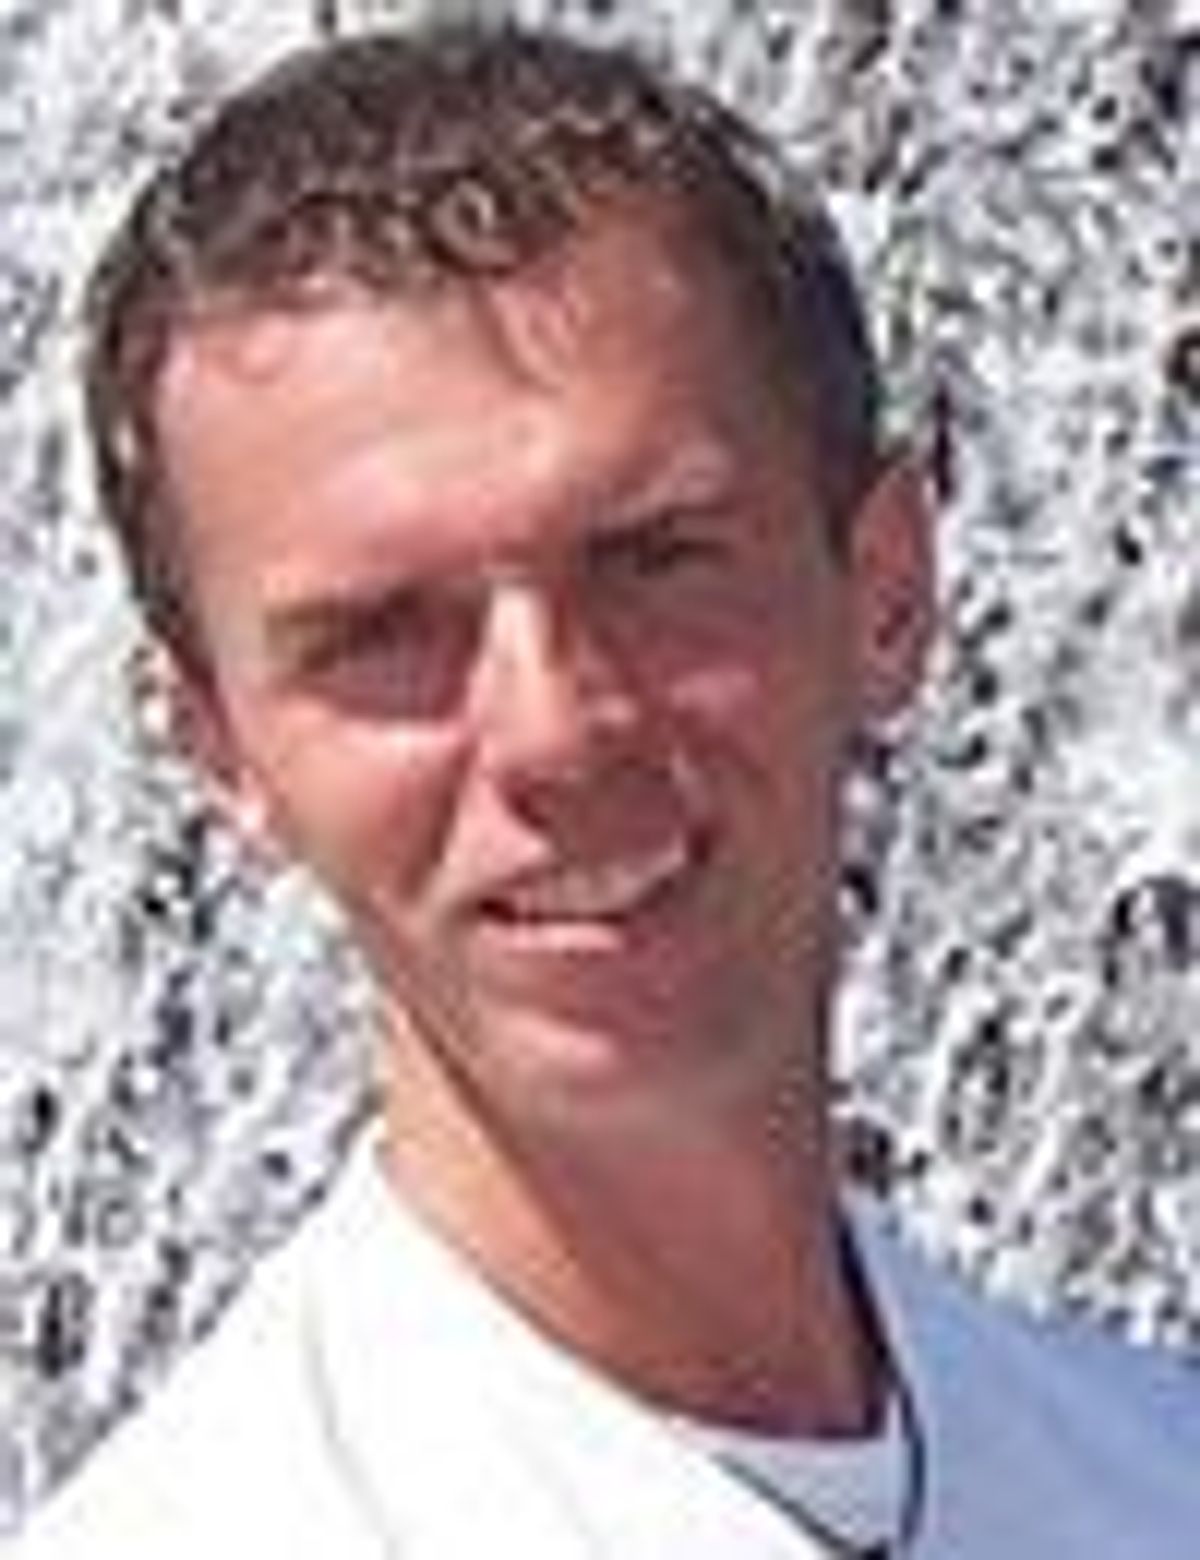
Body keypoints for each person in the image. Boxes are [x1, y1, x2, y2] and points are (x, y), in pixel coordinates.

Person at [18, 19, 1200, 1559]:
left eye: (654, 561)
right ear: (219, 749)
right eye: (380, 637)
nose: (555, 731)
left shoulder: (1155, 1464)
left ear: (888, 586)